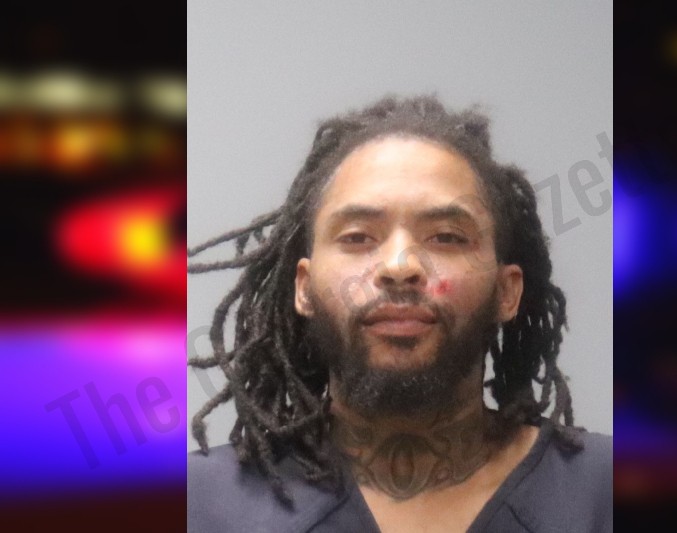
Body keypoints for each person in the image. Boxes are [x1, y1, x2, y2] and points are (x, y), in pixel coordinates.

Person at [187, 95, 612, 532]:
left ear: (507, 292)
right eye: (357, 237)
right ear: (304, 288)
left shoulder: (607, 491)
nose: (399, 266)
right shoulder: (196, 503)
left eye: (446, 237)